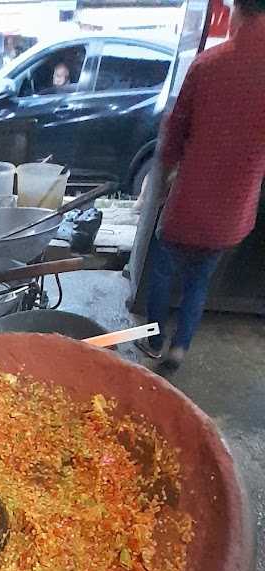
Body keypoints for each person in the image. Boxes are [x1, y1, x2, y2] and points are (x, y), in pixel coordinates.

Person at [137, 0, 265, 369]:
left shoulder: (209, 65)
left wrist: (160, 179)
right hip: (234, 207)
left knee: (162, 268)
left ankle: (157, 339)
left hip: (191, 201)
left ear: (237, 13)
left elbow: (174, 134)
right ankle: (181, 347)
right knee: (200, 280)